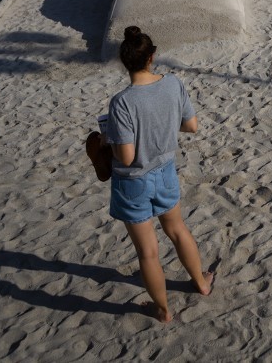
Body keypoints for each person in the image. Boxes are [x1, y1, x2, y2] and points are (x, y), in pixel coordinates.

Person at [106, 26, 213, 323]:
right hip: (165, 171)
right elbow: (191, 126)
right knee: (178, 230)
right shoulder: (173, 84)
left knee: (148, 252)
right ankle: (202, 283)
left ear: (124, 61)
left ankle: (163, 310)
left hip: (132, 182)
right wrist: (163, 128)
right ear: (152, 57)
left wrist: (107, 142)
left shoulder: (122, 102)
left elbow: (126, 156)